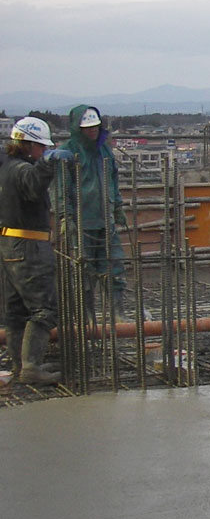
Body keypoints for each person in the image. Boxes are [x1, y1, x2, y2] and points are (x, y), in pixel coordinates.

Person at [0, 117, 74, 385]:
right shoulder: (21, 169)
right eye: (41, 148)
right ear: (27, 145)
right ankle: (32, 367)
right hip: (29, 246)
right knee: (43, 310)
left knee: (16, 311)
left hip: (9, 245)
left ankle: (21, 365)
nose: (43, 151)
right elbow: (32, 184)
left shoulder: (5, 166)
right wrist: (47, 164)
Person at [55, 105, 127, 321]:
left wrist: (118, 206)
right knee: (84, 274)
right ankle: (87, 318)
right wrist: (65, 216)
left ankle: (118, 315)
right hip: (82, 223)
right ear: (78, 129)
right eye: (88, 128)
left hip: (106, 221)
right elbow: (61, 187)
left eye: (95, 126)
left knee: (114, 267)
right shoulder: (69, 153)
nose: (93, 131)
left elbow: (113, 180)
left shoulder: (104, 150)